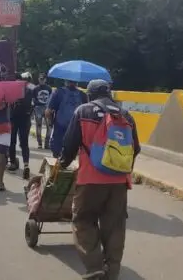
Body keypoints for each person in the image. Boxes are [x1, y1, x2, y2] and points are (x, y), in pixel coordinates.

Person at [59, 79, 140, 280]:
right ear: (109, 93)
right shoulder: (126, 115)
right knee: (114, 226)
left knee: (83, 220)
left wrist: (62, 163)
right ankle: (112, 271)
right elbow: (135, 149)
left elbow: (70, 144)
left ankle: (95, 267)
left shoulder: (83, 111)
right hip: (119, 182)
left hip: (90, 179)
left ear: (90, 94)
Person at [46, 80, 88, 158]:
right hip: (76, 127)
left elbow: (48, 112)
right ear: (77, 83)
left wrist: (51, 121)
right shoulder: (83, 95)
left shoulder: (58, 92)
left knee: (57, 150)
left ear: (66, 82)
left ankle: (57, 165)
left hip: (60, 126)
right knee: (72, 150)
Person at [8, 72, 34, 179]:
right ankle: (26, 164)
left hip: (13, 118)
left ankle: (13, 163)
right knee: (24, 143)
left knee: (12, 141)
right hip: (25, 118)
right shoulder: (30, 89)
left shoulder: (12, 88)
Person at [32, 73, 53, 149]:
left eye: (43, 79)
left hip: (47, 108)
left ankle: (46, 143)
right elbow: (33, 99)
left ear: (45, 79)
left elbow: (51, 98)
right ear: (38, 79)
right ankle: (40, 143)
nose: (41, 80)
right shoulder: (35, 88)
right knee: (38, 125)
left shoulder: (49, 88)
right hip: (38, 108)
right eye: (40, 79)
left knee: (49, 126)